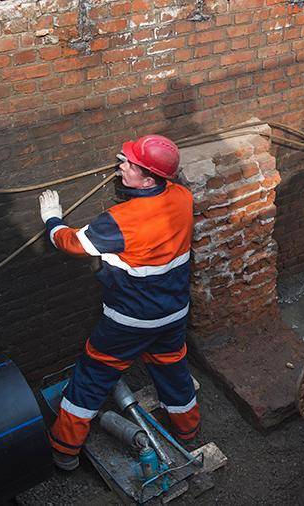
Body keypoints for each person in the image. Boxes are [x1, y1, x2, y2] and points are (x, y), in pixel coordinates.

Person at [39, 134, 199, 471]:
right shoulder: (183, 197)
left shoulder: (121, 221)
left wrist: (52, 220)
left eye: (129, 164)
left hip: (129, 321)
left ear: (150, 179)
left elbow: (72, 243)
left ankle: (65, 450)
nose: (120, 166)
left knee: (93, 375)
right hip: (173, 314)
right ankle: (188, 430)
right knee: (172, 367)